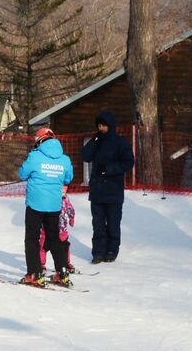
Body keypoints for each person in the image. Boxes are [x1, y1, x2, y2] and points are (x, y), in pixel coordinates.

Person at [17, 127, 74, 287]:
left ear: (39, 141)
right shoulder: (64, 159)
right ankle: (62, 272)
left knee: (32, 238)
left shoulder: (35, 156)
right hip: (54, 205)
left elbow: (22, 174)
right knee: (54, 237)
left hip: (35, 204)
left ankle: (34, 273)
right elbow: (68, 177)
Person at [80, 110, 135, 264]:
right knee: (97, 224)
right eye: (99, 125)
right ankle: (98, 252)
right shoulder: (96, 141)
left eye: (104, 125)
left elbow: (128, 161)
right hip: (97, 190)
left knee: (113, 223)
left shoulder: (120, 143)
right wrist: (94, 140)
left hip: (113, 190)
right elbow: (85, 156)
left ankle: (112, 250)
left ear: (110, 125)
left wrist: (109, 169)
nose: (101, 127)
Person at [40, 189, 75, 274]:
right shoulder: (47, 199)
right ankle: (40, 265)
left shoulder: (66, 200)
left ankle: (66, 263)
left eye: (64, 191)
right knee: (43, 247)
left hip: (62, 230)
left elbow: (71, 210)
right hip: (47, 231)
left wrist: (71, 218)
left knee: (64, 247)